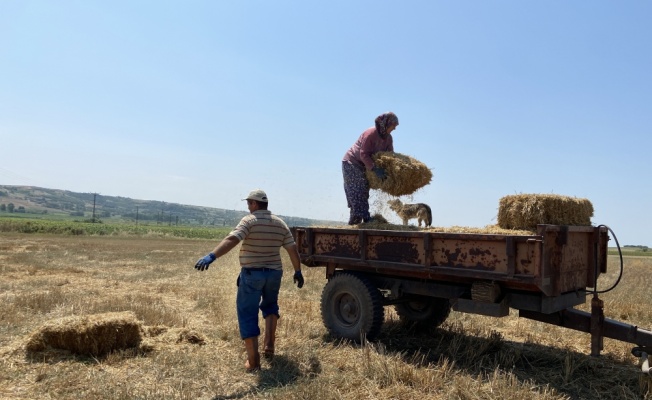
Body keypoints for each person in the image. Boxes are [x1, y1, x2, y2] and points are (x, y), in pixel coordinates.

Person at [193, 189, 304, 372]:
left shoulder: (249, 221)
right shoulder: (280, 223)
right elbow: (292, 249)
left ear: (254, 204)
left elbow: (232, 239)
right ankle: (269, 345)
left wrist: (212, 256)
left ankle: (253, 362)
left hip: (253, 275)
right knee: (270, 306)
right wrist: (298, 271)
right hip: (274, 274)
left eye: (248, 203)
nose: (247, 207)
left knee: (247, 313)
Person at [342, 111, 399, 224]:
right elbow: (363, 154)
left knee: (363, 193)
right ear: (386, 124)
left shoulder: (388, 138)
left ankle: (354, 224)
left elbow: (390, 155)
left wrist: (392, 170)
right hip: (352, 162)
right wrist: (374, 169)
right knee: (358, 190)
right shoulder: (370, 134)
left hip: (365, 166)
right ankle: (367, 220)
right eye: (393, 126)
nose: (394, 129)